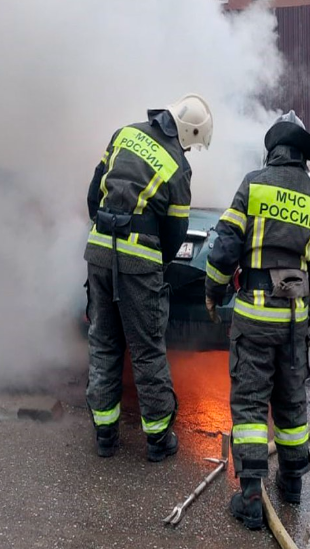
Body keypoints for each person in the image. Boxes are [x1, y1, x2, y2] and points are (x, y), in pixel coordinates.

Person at [205, 111, 310, 529]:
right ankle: (292, 484)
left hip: (254, 317)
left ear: (272, 151)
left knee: (249, 402)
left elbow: (225, 247)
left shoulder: (253, 184)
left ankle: (249, 497)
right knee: (291, 400)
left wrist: (214, 290)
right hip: (295, 319)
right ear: (301, 156)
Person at [84, 94, 213, 461]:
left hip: (98, 252)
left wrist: (104, 232)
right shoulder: (177, 166)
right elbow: (175, 230)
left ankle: (105, 436)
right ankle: (157, 439)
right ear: (188, 133)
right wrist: (157, 263)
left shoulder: (122, 134)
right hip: (138, 263)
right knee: (146, 348)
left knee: (104, 341)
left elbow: (94, 195)